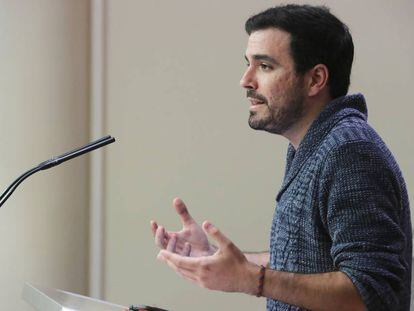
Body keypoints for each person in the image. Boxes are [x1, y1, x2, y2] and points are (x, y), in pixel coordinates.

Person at [150, 4, 412, 311]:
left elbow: (371, 293)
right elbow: (307, 261)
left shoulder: (349, 151)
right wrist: (218, 257)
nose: (246, 80)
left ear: (316, 79)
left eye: (265, 66)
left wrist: (251, 279)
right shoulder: (316, 145)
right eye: (248, 64)